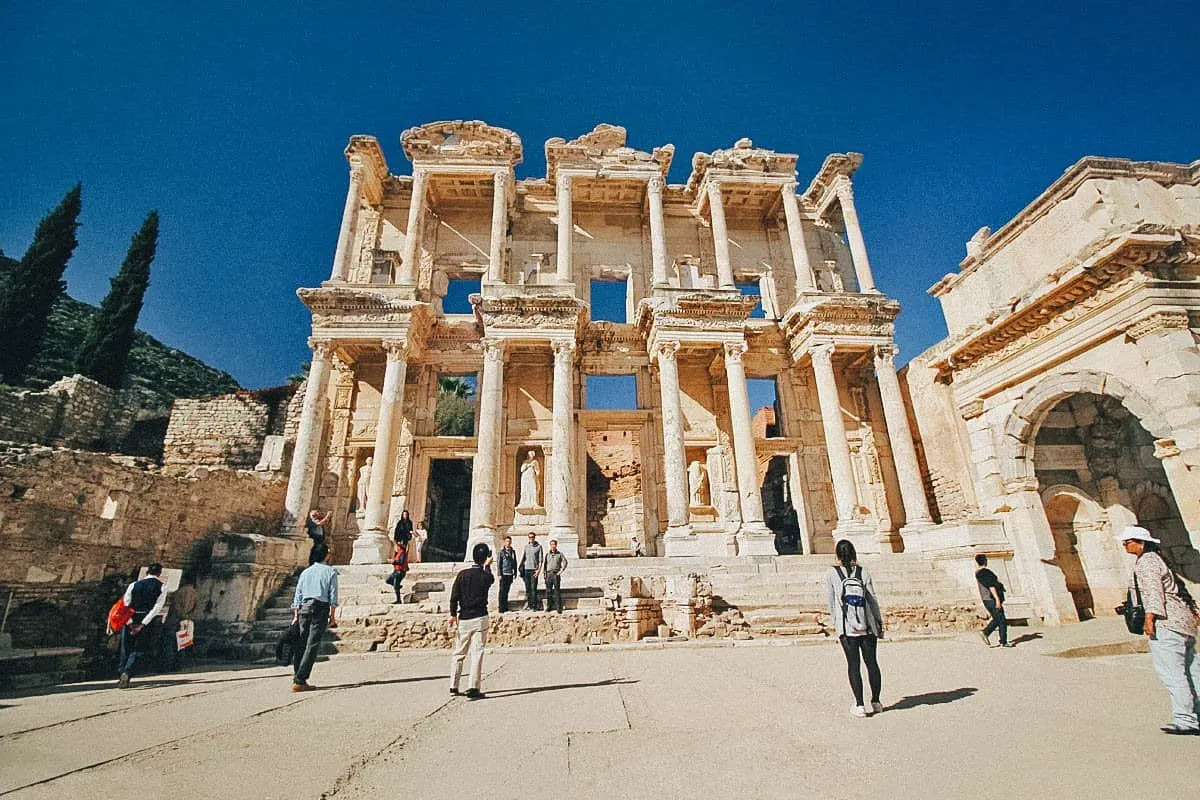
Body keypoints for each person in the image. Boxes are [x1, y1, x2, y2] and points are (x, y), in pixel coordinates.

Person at [1118, 526, 1199, 735]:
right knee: (1192, 670)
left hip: (1167, 623)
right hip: (1183, 621)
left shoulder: (1146, 562)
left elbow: (1153, 593)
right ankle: (1195, 713)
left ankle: (1185, 719)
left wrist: (1150, 618)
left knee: (1173, 673)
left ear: (1140, 542)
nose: (1125, 545)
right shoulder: (1157, 559)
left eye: (1127, 542)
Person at [825, 539, 884, 718]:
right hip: (867, 625)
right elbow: (872, 598)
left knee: (853, 665)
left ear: (836, 554)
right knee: (872, 663)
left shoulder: (831, 573)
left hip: (847, 626)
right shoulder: (863, 571)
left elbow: (831, 601)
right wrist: (878, 622)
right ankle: (876, 701)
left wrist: (837, 624)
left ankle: (859, 704)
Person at [291, 542, 339, 692]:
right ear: (326, 555)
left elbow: (298, 594)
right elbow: (333, 595)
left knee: (301, 643)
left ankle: (297, 677)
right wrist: (332, 616)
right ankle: (300, 679)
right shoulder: (330, 572)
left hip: (304, 608)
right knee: (312, 644)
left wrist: (295, 615)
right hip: (320, 608)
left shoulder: (306, 572)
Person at [449, 542, 494, 699]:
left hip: (464, 618)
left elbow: (454, 596)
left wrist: (453, 614)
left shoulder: (462, 574)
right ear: (485, 558)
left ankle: (453, 685)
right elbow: (490, 579)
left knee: (459, 652)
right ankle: (473, 687)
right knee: (477, 653)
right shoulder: (485, 576)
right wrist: (487, 566)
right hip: (480, 617)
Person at [116, 563, 168, 688]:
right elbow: (157, 608)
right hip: (146, 619)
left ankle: (122, 672)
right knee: (138, 649)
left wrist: (130, 623)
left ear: (147, 572)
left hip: (130, 617)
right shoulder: (161, 587)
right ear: (159, 574)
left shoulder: (133, 585)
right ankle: (128, 671)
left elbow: (126, 604)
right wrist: (143, 624)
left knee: (125, 647)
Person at [975, 554, 1011, 648]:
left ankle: (992, 636)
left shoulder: (978, 573)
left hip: (986, 599)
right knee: (1001, 619)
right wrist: (997, 599)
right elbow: (991, 586)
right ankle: (1000, 640)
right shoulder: (985, 572)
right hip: (991, 599)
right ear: (985, 561)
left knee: (997, 619)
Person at [521, 532, 544, 611]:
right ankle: (529, 605)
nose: (531, 538)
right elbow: (524, 558)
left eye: (532, 537)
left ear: (535, 537)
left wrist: (538, 571)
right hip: (527, 570)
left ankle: (534, 606)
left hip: (534, 570)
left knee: (533, 588)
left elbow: (541, 560)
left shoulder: (539, 547)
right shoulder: (526, 547)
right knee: (528, 589)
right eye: (530, 537)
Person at [544, 539, 568, 613]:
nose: (552, 546)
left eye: (554, 544)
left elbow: (565, 562)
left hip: (555, 574)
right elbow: (545, 565)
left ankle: (558, 607)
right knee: (548, 591)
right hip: (548, 574)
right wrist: (545, 574)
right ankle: (549, 606)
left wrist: (561, 571)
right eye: (551, 544)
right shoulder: (547, 554)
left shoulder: (560, 554)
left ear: (556, 545)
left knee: (557, 591)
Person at [497, 535, 518, 612]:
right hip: (503, 573)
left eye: (509, 541)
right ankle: (501, 608)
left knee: (507, 591)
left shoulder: (513, 552)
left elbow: (515, 562)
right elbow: (499, 563)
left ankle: (505, 607)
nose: (508, 543)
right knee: (502, 591)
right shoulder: (501, 552)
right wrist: (499, 574)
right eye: (507, 541)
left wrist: (515, 572)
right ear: (504, 542)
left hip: (510, 574)